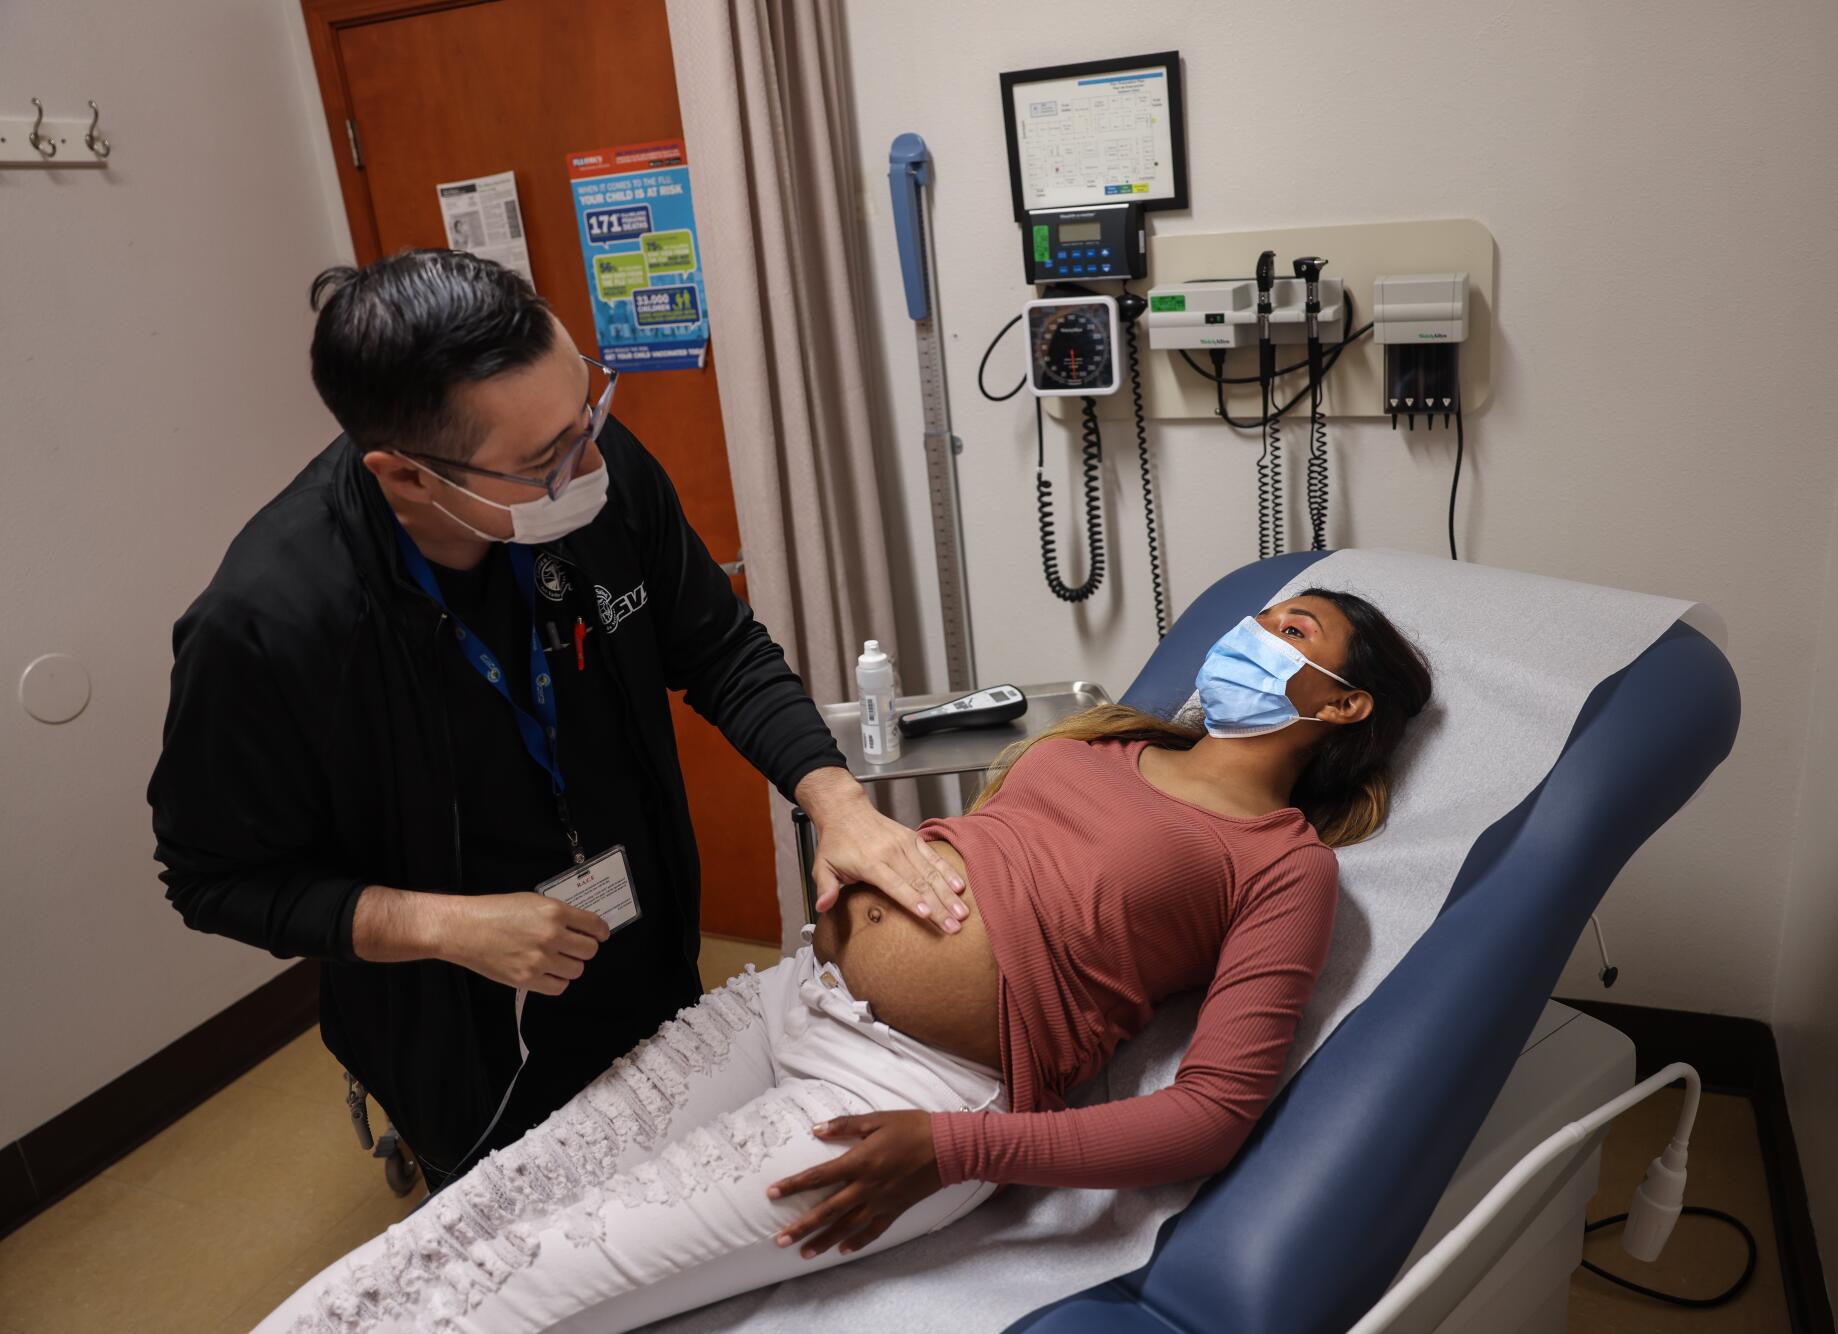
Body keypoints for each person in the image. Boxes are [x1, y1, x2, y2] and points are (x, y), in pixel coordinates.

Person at [253, 591, 1434, 1333]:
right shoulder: (1115, 739)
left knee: (539, 1280)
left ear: (1339, 706)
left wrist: (958, 1148)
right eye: (1257, 617)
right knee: (491, 1203)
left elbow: (1211, 1112)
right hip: (787, 999)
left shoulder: (1282, 864)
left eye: (1290, 631)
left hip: (909, 1099)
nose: (1247, 633)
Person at [148, 249, 966, 1194]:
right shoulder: (269, 624)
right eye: (544, 462)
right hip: (462, 1021)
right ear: (407, 477)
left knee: (684, 1181)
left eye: (588, 419)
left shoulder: (591, 470)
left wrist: (839, 803)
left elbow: (719, 650)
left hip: (641, 943)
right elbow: (213, 880)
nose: (590, 465)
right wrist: (439, 925)